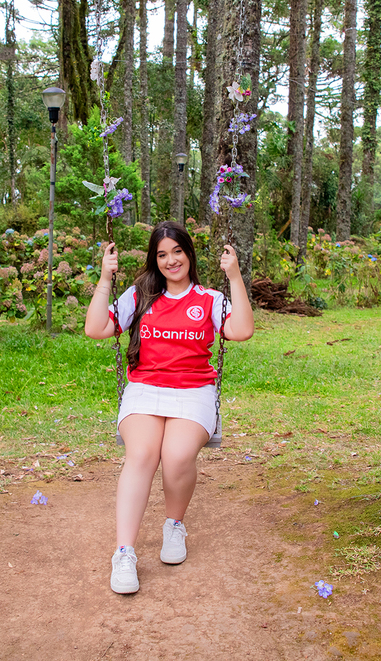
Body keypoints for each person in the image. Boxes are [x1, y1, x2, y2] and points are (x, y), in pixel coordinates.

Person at [84, 221, 255, 595]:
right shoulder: (140, 294)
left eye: (177, 251)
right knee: (142, 454)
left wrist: (235, 276)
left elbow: (241, 330)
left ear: (189, 254)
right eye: (161, 254)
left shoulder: (209, 299)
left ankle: (174, 525)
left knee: (176, 456)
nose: (170, 260)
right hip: (145, 390)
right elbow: (97, 329)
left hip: (193, 391)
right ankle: (124, 553)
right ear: (154, 259)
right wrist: (105, 279)